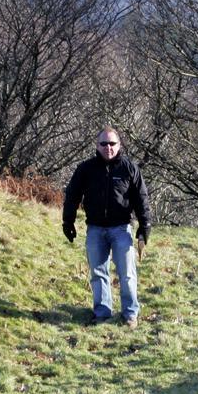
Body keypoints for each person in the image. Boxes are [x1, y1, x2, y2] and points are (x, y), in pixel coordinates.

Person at [62, 127, 151, 326]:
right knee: (98, 273)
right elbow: (72, 195)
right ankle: (102, 313)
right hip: (95, 229)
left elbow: (141, 199)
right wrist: (68, 221)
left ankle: (130, 314)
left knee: (127, 274)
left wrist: (145, 227)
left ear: (119, 145)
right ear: (97, 145)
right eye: (104, 144)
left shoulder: (130, 169)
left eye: (112, 144)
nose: (108, 148)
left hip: (121, 229)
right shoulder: (86, 169)